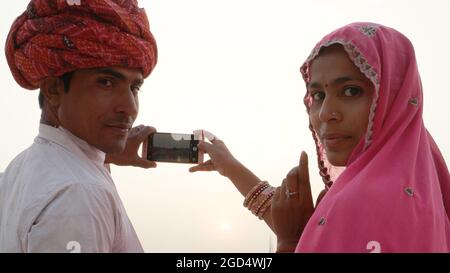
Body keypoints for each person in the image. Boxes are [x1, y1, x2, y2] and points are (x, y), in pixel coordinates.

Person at [190, 22, 450, 252]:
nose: (326, 114)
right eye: (318, 96)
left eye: (350, 91)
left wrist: (288, 244)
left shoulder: (364, 200)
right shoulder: (422, 186)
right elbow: (314, 230)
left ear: (393, 98)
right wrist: (231, 167)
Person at [0, 0, 158, 252]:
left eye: (134, 87)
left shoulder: (20, 169)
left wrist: (104, 158)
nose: (129, 108)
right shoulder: (78, 195)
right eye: (106, 83)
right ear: (53, 90)